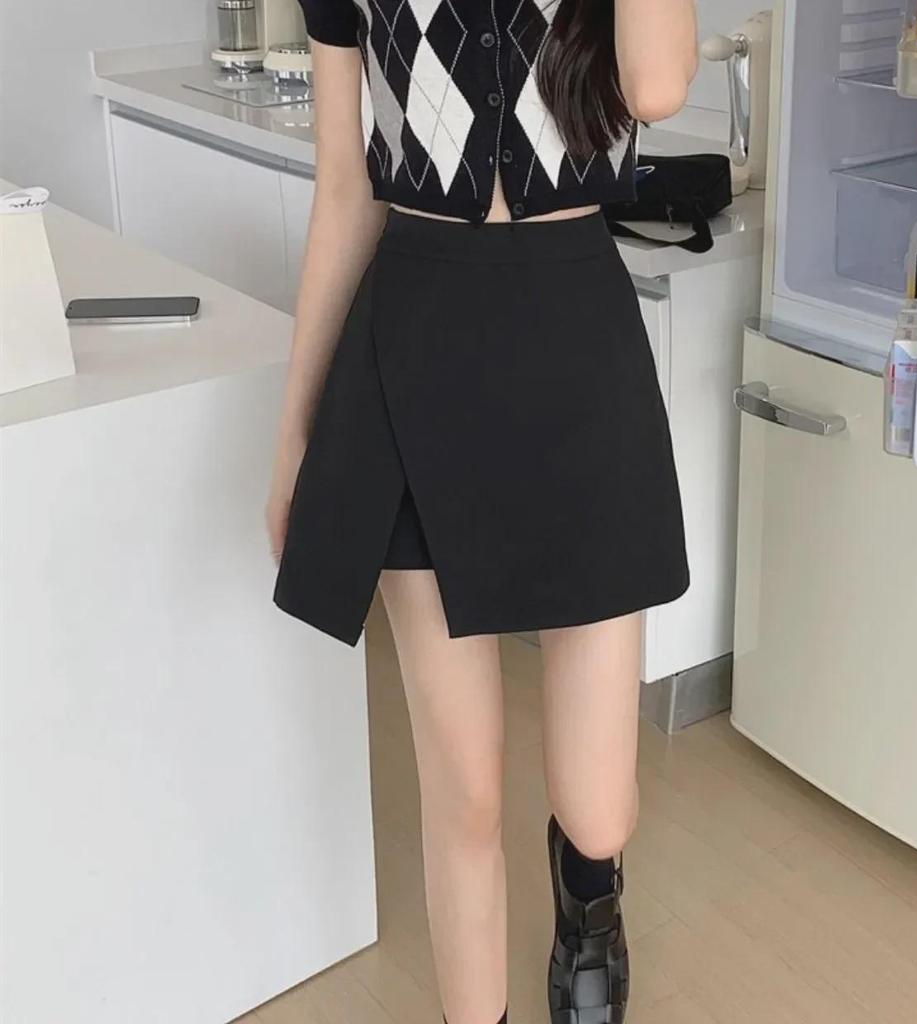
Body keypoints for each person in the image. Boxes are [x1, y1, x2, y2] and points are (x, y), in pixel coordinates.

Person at [266, 2, 698, 1021]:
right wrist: (296, 435)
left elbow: (656, 87)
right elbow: (344, 189)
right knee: (462, 791)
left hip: (577, 352)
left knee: (598, 808)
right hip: (413, 350)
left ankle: (588, 896)